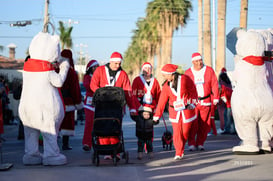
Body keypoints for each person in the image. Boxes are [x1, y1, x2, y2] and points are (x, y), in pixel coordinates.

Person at [90, 51, 137, 159]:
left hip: (116, 106)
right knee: (102, 126)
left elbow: (128, 92)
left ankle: (115, 151)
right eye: (116, 63)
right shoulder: (100, 70)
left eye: (119, 64)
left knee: (115, 127)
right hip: (102, 105)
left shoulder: (123, 74)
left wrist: (132, 107)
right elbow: (93, 84)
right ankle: (105, 151)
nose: (118, 66)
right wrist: (102, 93)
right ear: (111, 62)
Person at [153, 64, 198, 160]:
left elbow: (193, 92)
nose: (164, 77)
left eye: (165, 75)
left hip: (186, 110)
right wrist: (157, 116)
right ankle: (178, 152)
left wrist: (193, 104)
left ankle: (181, 146)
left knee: (185, 132)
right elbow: (162, 101)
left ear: (171, 74)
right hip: (174, 112)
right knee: (177, 132)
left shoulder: (185, 79)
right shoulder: (166, 85)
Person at [185, 52, 219, 151]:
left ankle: (200, 143)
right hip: (193, 102)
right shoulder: (188, 73)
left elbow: (214, 84)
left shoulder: (209, 70)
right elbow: (184, 87)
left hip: (206, 101)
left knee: (204, 124)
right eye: (197, 61)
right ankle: (191, 143)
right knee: (193, 124)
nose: (199, 63)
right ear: (193, 62)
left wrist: (216, 97)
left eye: (200, 60)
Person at [59, 49, 83, 150]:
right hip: (68, 101)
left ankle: (53, 144)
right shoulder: (72, 73)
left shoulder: (55, 70)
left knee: (55, 123)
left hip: (56, 99)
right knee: (67, 123)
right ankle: (65, 144)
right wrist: (78, 102)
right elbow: (75, 90)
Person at [82, 59, 99, 151]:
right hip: (89, 103)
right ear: (90, 68)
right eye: (95, 67)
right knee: (89, 123)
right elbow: (87, 86)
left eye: (97, 66)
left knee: (99, 123)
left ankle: (99, 142)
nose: (96, 68)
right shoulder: (87, 77)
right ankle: (87, 143)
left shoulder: (100, 76)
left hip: (99, 103)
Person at [218, 70, 234, 134]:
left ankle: (229, 130)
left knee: (228, 116)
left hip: (230, 104)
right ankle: (228, 129)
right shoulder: (223, 90)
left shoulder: (225, 90)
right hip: (228, 104)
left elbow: (228, 100)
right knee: (226, 115)